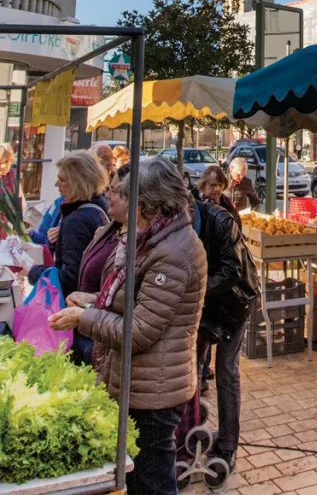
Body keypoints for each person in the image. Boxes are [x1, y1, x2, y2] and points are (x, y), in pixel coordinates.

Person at [51, 158, 208, 495]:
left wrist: (84, 319)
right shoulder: (154, 238)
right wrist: (93, 301)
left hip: (155, 392)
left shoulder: (173, 252)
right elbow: (134, 303)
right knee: (140, 477)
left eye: (131, 198)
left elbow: (139, 330)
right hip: (142, 383)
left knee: (151, 481)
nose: (123, 204)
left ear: (151, 202)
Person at [194, 193, 259, 470]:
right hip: (203, 304)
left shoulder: (221, 220)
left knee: (226, 370)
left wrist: (195, 289)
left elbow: (233, 269)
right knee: (190, 366)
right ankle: (191, 429)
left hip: (236, 301)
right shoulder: (179, 224)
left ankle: (228, 443)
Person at [71, 165, 131, 365]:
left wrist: (86, 312)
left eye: (113, 191)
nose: (108, 195)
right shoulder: (110, 229)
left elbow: (132, 316)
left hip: (104, 339)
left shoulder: (139, 243)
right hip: (94, 333)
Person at [28, 152, 109, 298]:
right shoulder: (100, 207)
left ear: (78, 182)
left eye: (62, 180)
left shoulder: (77, 220)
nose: (56, 184)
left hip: (75, 305)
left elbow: (68, 280)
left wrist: (32, 272)